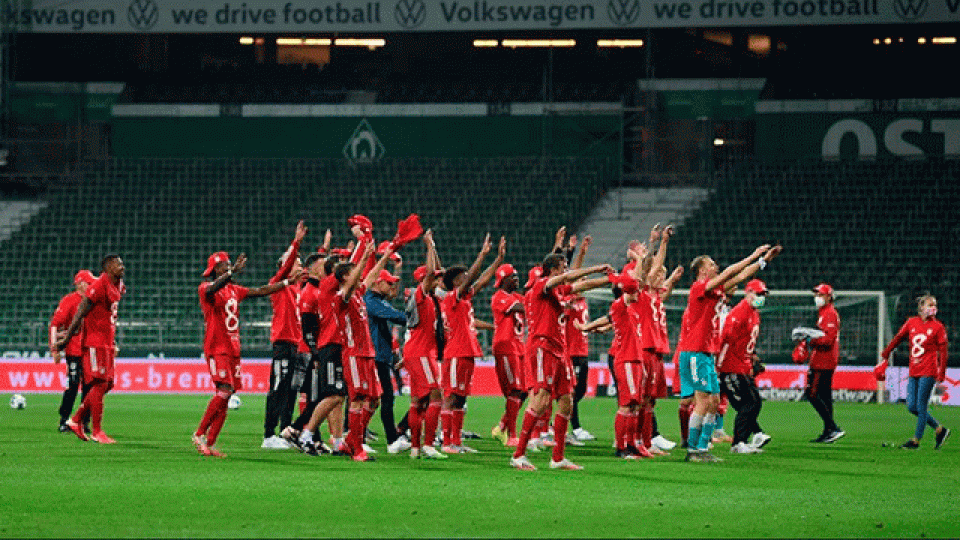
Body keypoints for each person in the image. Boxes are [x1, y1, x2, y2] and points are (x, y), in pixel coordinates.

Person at [677, 244, 781, 462]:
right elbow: (730, 272)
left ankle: (703, 447)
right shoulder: (699, 287)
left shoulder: (715, 290)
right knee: (703, 401)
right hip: (696, 351)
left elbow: (741, 275)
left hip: (706, 352)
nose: (716, 266)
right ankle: (694, 450)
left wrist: (763, 262)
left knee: (714, 401)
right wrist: (753, 254)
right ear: (702, 270)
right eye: (711, 264)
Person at [193, 251, 302, 458]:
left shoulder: (234, 290)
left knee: (228, 394)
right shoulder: (206, 289)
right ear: (215, 270)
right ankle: (199, 434)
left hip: (233, 348)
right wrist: (232, 272)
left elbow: (261, 290)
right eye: (224, 266)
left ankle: (210, 442)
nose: (228, 268)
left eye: (228, 265)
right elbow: (211, 290)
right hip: (216, 347)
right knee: (224, 390)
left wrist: (287, 282)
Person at [510, 254, 612, 471]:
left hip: (560, 350)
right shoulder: (541, 286)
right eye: (563, 267)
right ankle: (518, 455)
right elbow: (574, 277)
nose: (566, 270)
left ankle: (557, 458)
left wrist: (611, 280)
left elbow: (582, 285)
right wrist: (596, 267)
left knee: (567, 400)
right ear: (553, 270)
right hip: (543, 348)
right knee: (540, 401)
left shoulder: (557, 291)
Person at [440, 234, 504, 454]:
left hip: (467, 351)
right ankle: (447, 442)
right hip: (456, 352)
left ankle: (456, 441)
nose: (467, 278)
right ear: (455, 282)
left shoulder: (464, 299)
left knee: (461, 398)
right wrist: (483, 255)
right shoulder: (451, 298)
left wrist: (497, 260)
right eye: (463, 276)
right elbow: (474, 278)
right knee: (451, 397)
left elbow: (482, 281)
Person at [55, 255, 126, 444]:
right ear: (108, 267)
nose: (122, 267)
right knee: (99, 384)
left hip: (107, 342)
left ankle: (76, 420)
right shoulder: (98, 287)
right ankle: (96, 430)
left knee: (108, 384)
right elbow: (80, 313)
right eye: (118, 264)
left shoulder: (117, 284)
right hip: (94, 342)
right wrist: (67, 338)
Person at [878, 293, 950, 449]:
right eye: (930, 305)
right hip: (914, 369)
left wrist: (941, 372)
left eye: (935, 305)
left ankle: (916, 441)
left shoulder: (938, 326)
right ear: (921, 308)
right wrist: (887, 351)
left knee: (921, 406)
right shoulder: (911, 322)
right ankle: (939, 429)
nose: (933, 308)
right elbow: (898, 338)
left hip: (928, 370)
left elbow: (943, 351)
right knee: (912, 406)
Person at [262, 220, 310, 449]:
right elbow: (285, 268)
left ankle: (284, 431)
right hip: (282, 342)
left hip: (295, 345)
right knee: (278, 388)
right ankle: (268, 435)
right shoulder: (277, 285)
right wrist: (296, 243)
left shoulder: (298, 289)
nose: (300, 267)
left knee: (289, 390)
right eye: (296, 264)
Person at [403, 230, 448, 459]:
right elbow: (432, 272)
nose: (437, 281)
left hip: (419, 350)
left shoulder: (430, 299)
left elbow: (440, 273)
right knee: (435, 396)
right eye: (432, 279)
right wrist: (429, 245)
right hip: (421, 352)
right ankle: (429, 445)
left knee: (418, 401)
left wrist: (435, 249)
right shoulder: (419, 296)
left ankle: (415, 448)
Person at [717, 279, 772, 454]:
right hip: (732, 366)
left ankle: (749, 437)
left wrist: (752, 358)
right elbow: (725, 340)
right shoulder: (738, 313)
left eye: (763, 295)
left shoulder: (754, 313)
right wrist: (720, 367)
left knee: (752, 403)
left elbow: (747, 340)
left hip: (742, 364)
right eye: (758, 294)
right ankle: (739, 442)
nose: (761, 297)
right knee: (749, 403)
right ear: (747, 292)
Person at [365, 259, 410, 454]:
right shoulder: (372, 301)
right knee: (377, 398)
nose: (391, 286)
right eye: (388, 282)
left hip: (380, 355)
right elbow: (396, 317)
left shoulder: (378, 300)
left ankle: (390, 438)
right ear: (376, 282)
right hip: (374, 356)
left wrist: (398, 267)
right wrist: (416, 319)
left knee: (380, 398)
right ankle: (389, 439)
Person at [50, 269, 96, 433]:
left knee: (90, 387)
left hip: (91, 350)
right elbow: (55, 324)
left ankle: (83, 422)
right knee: (74, 384)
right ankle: (64, 420)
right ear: (80, 283)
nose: (91, 285)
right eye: (89, 282)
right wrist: (54, 348)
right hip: (74, 351)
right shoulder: (69, 301)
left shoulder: (93, 301)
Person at [801, 283, 845, 444]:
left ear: (828, 297)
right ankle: (829, 431)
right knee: (825, 396)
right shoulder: (824, 313)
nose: (817, 298)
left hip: (823, 360)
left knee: (812, 394)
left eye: (820, 295)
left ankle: (832, 427)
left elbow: (827, 340)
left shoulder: (829, 314)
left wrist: (809, 339)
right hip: (824, 359)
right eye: (816, 295)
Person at [491, 263, 526, 447]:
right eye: (513, 276)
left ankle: (502, 427)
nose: (517, 278)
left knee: (525, 390)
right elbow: (522, 307)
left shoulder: (515, 296)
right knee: (514, 390)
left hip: (519, 347)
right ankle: (512, 435)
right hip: (506, 347)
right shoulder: (499, 297)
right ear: (504, 280)